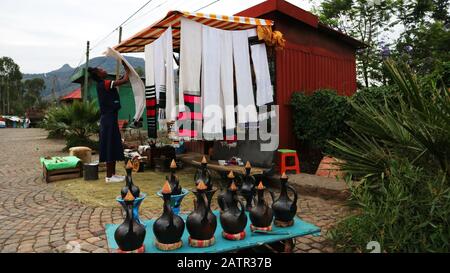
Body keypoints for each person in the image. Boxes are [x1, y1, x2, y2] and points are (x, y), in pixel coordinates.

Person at [88, 63, 129, 183]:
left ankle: (113, 174)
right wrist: (127, 67)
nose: (104, 70)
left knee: (114, 145)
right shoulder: (105, 84)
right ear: (98, 74)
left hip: (110, 119)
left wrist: (124, 72)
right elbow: (125, 80)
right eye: (101, 69)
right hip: (108, 120)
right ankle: (109, 176)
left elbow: (121, 79)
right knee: (110, 146)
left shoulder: (105, 83)